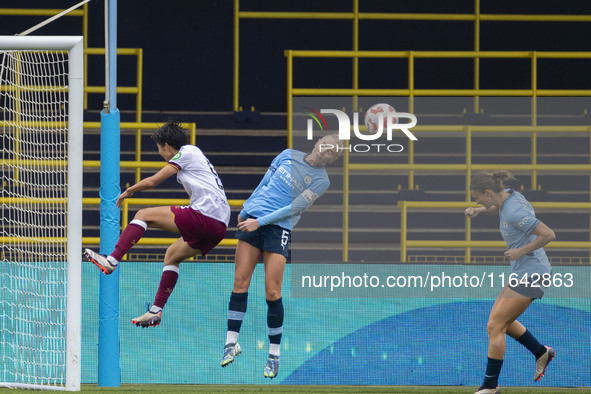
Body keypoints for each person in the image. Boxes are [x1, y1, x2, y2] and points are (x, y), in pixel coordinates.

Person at [84, 120, 230, 327]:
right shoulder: (196, 157)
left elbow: (153, 181)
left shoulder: (187, 152)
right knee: (172, 255)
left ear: (167, 146)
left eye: (159, 148)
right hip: (219, 226)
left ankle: (112, 260)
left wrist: (129, 190)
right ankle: (156, 311)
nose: (160, 153)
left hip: (206, 215)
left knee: (143, 214)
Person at [220, 134, 342, 379]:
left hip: (278, 228)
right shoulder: (287, 154)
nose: (325, 152)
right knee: (240, 283)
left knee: (272, 292)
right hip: (252, 218)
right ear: (318, 141)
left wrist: (260, 222)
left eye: (332, 153)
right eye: (325, 146)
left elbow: (295, 207)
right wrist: (246, 209)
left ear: (333, 159)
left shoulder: (321, 180)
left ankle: (274, 355)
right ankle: (230, 343)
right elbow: (264, 182)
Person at [465, 171, 556, 394]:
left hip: (532, 273)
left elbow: (549, 234)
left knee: (495, 326)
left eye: (477, 198)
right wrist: (478, 210)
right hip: (522, 272)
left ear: (488, 192)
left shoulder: (514, 211)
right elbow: (498, 206)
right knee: (500, 322)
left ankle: (490, 385)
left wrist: (520, 251)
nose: (476, 201)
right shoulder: (508, 197)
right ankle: (541, 351)